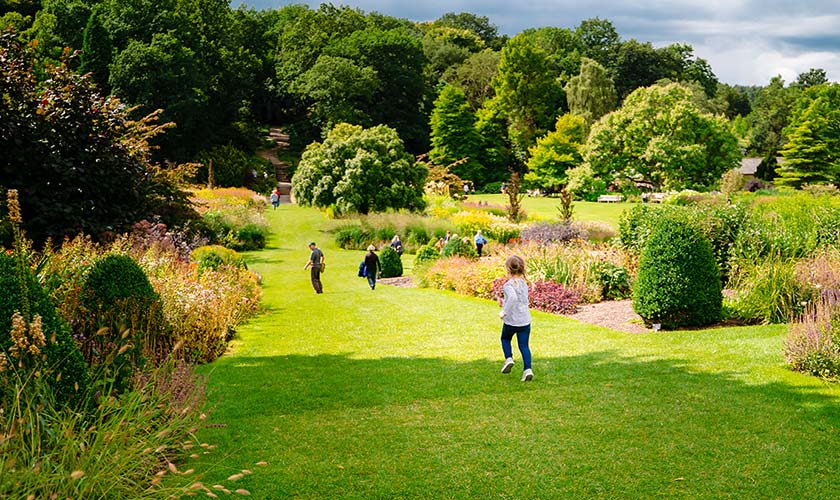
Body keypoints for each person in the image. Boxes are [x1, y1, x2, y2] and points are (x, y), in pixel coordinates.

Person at [499, 255, 533, 381]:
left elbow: (513, 298)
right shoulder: (524, 284)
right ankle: (527, 369)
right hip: (525, 321)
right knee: (524, 346)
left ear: (508, 269)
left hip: (512, 321)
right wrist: (503, 301)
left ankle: (509, 358)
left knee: (505, 339)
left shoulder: (508, 285)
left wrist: (504, 312)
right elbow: (519, 300)